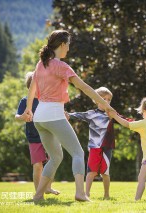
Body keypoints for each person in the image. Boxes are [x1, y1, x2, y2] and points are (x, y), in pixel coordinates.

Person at [22, 30, 114, 202]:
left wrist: (29, 109)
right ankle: (80, 193)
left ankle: (38, 195)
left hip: (39, 118)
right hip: (54, 115)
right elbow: (85, 88)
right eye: (68, 45)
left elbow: (32, 90)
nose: (69, 49)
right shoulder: (62, 67)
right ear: (63, 45)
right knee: (78, 153)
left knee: (56, 157)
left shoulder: (40, 64)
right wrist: (106, 105)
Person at [68, 87, 122, 200]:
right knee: (91, 172)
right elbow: (77, 115)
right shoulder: (91, 114)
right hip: (94, 148)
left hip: (107, 148)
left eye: (108, 99)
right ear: (96, 100)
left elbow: (124, 120)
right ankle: (86, 194)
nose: (106, 101)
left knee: (105, 173)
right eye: (103, 99)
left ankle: (106, 194)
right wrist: (67, 114)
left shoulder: (111, 114)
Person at [15, 72, 59, 195]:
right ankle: (38, 192)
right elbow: (17, 117)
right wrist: (22, 116)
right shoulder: (24, 101)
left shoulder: (46, 100)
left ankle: (48, 187)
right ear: (31, 86)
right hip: (34, 138)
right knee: (38, 165)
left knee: (53, 161)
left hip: (49, 136)